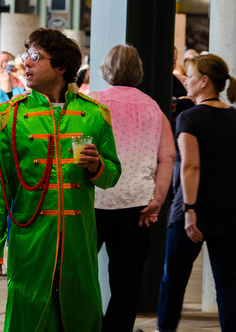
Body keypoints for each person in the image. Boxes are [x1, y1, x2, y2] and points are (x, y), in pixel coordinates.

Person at [0, 28, 122, 331]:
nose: (25, 63)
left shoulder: (96, 114)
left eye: (35, 57)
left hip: (79, 244)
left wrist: (97, 168)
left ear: (61, 68)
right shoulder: (9, 115)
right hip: (30, 243)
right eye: (26, 54)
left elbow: (112, 175)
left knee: (81, 314)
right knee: (27, 317)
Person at [157, 54, 236, 332]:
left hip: (194, 207)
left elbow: (191, 166)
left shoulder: (190, 118)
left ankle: (165, 329)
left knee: (174, 279)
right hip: (231, 210)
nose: (186, 80)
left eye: (190, 75)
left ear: (204, 81)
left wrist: (189, 210)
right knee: (226, 283)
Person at [87, 45, 175, 331]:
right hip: (137, 205)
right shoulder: (153, 108)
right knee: (127, 279)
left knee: (81, 272)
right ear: (138, 70)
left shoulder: (92, 103)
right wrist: (158, 199)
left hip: (93, 201)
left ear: (105, 68)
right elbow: (168, 157)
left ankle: (87, 324)